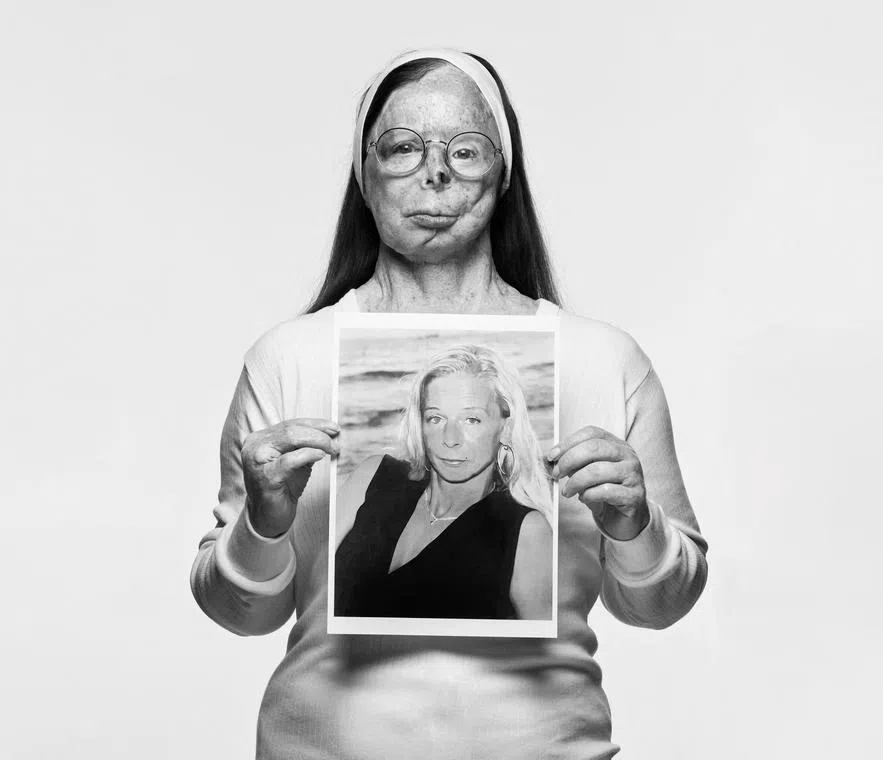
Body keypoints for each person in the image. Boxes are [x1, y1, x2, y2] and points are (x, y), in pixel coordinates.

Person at [190, 47, 709, 759]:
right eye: (403, 147)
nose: (434, 172)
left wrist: (636, 525)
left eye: (464, 150)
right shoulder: (289, 358)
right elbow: (240, 613)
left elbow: (661, 606)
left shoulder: (602, 359)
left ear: (504, 171)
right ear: (363, 173)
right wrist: (263, 520)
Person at [333, 344, 554, 621]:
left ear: (505, 427)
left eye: (471, 419)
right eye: (435, 418)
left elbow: (543, 644)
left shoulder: (525, 531)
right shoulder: (372, 476)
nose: (450, 439)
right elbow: (315, 592)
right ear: (420, 424)